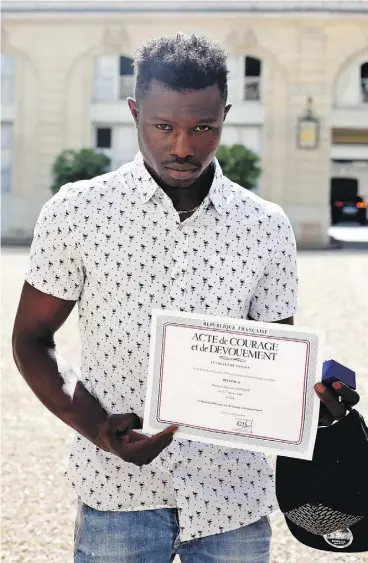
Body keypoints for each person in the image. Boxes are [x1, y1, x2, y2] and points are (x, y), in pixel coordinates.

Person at [12, 33, 359, 563]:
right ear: (133, 113)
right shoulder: (78, 212)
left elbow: (273, 364)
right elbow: (31, 339)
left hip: (233, 502)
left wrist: (317, 396)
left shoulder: (265, 227)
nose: (182, 146)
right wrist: (99, 431)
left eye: (203, 127)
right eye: (163, 126)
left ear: (225, 114)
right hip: (117, 496)